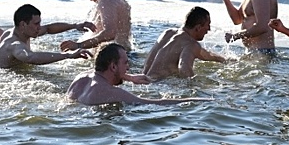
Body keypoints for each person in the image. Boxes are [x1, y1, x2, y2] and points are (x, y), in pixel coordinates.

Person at [68, 43, 209, 105]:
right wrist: (196, 101)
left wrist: (129, 78)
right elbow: (155, 104)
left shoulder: (81, 77)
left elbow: (100, 74)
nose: (128, 67)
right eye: (125, 63)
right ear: (113, 66)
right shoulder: (111, 92)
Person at [0, 4, 94, 69]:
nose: (39, 28)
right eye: (36, 24)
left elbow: (48, 29)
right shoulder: (14, 45)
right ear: (23, 24)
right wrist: (68, 55)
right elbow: (31, 57)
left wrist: (75, 26)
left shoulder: (18, 32)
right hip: (1, 77)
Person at [143, 7, 225, 80]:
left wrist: (223, 59)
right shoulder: (191, 44)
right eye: (208, 25)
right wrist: (197, 86)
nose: (209, 29)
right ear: (198, 28)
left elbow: (204, 54)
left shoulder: (168, 33)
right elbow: (184, 69)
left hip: (142, 79)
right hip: (157, 84)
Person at [60, 0, 132, 52]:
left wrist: (79, 45)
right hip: (122, 52)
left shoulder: (106, 1)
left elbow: (110, 33)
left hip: (111, 56)